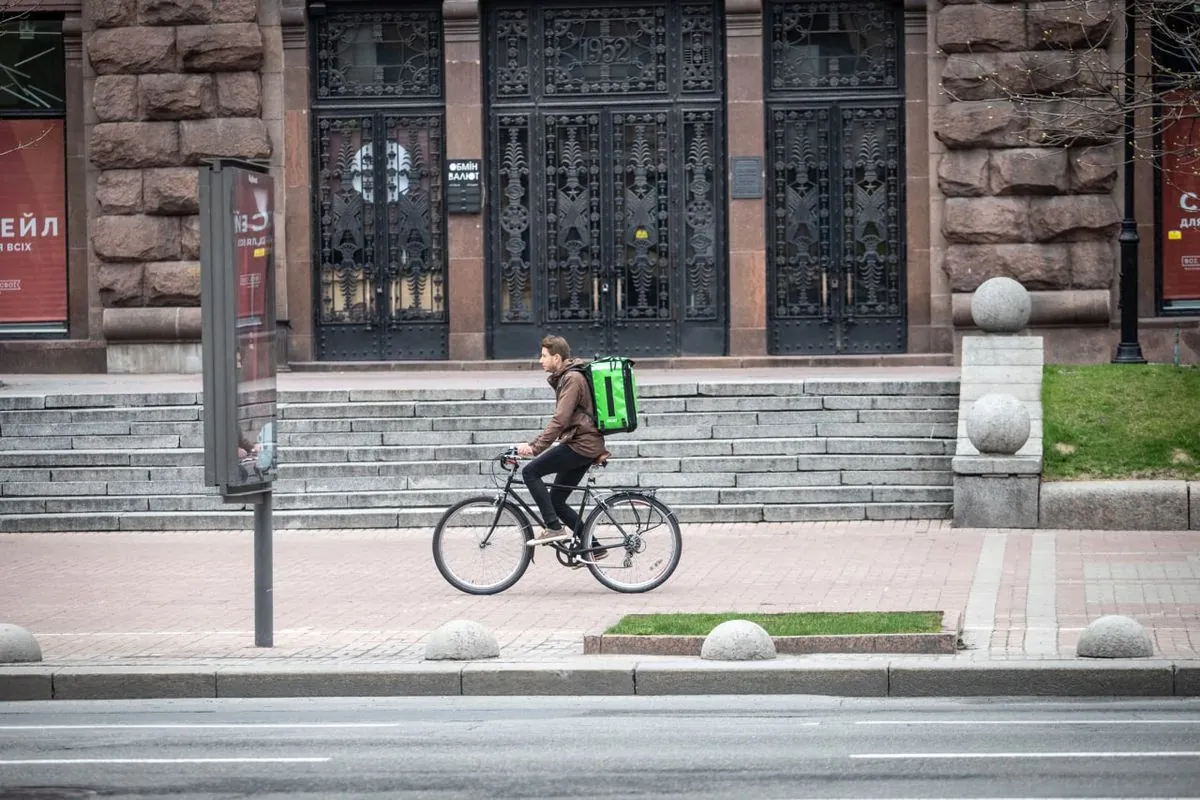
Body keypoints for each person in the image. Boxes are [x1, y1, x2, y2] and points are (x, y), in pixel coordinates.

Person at [517, 335, 610, 546]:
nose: (540, 360)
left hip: (581, 445)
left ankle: (553, 528)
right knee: (556, 501)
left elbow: (560, 419)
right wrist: (533, 443)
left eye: (544, 356)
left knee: (530, 472)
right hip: (584, 444)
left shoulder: (572, 379)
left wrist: (535, 448)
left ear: (557, 358)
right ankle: (593, 547)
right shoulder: (567, 377)